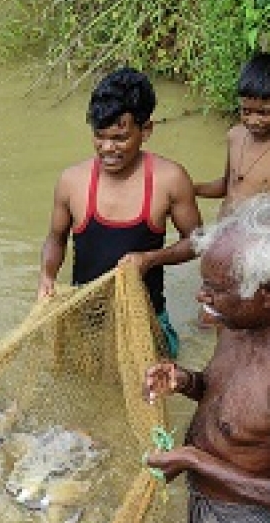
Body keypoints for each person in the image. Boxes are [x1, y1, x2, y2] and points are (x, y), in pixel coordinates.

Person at [143, 195, 270, 523]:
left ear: (264, 294)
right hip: (202, 490)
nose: (201, 297)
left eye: (216, 289)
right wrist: (185, 381)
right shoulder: (235, 324)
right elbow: (226, 401)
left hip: (243, 520)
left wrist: (194, 460)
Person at [37, 67, 202, 358]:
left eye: (120, 138)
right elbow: (55, 238)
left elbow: (197, 242)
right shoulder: (71, 181)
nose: (108, 148)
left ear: (146, 130)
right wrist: (47, 276)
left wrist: (151, 259)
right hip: (86, 320)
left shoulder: (170, 179)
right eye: (100, 137)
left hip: (144, 321)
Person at [194, 52, 270, 327]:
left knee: (245, 317)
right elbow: (227, 185)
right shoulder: (234, 136)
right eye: (246, 111)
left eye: (264, 112)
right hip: (224, 238)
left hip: (255, 250)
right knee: (208, 317)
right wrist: (192, 189)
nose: (253, 120)